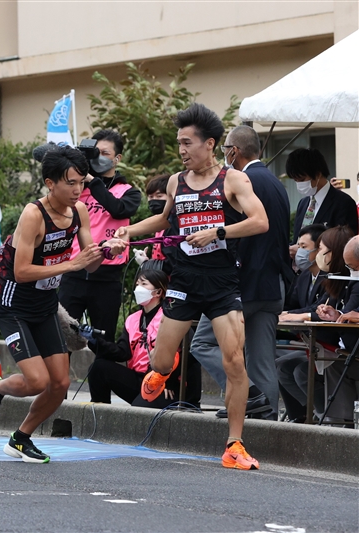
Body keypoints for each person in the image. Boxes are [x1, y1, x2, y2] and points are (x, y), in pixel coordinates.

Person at [115, 103, 269, 470]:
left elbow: (260, 220)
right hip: (183, 282)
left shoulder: (234, 180)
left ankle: (234, 444)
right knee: (160, 359)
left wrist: (218, 231)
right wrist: (126, 231)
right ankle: (162, 370)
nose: (182, 150)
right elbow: (164, 218)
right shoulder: (176, 182)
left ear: (210, 144)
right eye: (179, 143)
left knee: (234, 362)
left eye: (188, 143)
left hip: (220, 284)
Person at [0, 145, 126, 463]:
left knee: (60, 383)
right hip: (13, 304)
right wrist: (71, 265)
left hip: (45, 304)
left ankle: (20, 439)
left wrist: (105, 251)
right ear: (50, 183)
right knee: (37, 381)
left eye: (82, 183)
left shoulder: (80, 211)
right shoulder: (34, 215)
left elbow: (91, 264)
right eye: (71, 183)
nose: (78, 190)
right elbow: (22, 270)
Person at [189, 125, 293, 421]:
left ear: (233, 151)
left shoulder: (240, 180)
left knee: (202, 343)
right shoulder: (274, 182)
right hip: (273, 285)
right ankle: (266, 420)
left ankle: (246, 396)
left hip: (242, 283)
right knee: (262, 361)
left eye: (224, 150)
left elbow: (242, 234)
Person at [58, 130, 141, 341]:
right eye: (96, 152)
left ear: (117, 158)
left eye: (105, 153)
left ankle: (100, 375)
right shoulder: (77, 189)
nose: (99, 157)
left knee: (103, 342)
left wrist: (93, 181)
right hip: (73, 273)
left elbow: (118, 210)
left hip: (107, 278)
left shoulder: (128, 191)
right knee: (61, 338)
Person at [84, 268, 201, 408]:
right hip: (141, 379)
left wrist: (169, 380)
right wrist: (94, 340)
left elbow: (187, 354)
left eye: (144, 284)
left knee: (140, 409)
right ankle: (99, 416)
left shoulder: (171, 317)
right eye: (138, 284)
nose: (138, 288)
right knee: (98, 367)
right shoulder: (133, 319)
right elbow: (122, 352)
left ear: (158, 292)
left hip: (166, 384)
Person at [276, 224, 338, 422]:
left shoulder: (332, 278)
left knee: (300, 370)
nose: (298, 251)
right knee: (282, 365)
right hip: (307, 341)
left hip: (329, 345)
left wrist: (291, 316)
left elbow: (315, 310)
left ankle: (325, 416)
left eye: (304, 247)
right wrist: (284, 313)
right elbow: (292, 305)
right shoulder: (303, 277)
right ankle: (302, 414)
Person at [307, 232, 359, 425]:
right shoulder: (351, 282)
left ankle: (339, 425)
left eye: (353, 267)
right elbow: (351, 313)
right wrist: (337, 316)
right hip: (350, 349)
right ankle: (337, 425)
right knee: (336, 365)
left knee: (338, 366)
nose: (351, 271)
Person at [288, 148, 358, 259]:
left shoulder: (343, 203)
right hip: (299, 273)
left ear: (318, 174)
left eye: (302, 179)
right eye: (295, 180)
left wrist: (305, 251)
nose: (299, 184)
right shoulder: (303, 203)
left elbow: (344, 245)